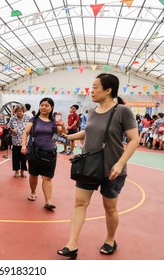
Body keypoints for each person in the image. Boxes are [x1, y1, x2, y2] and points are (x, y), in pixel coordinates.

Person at [57, 73, 139, 260]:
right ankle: (72, 244)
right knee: (79, 203)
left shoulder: (122, 111)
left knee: (109, 207)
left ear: (108, 90)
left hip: (112, 169)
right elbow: (89, 131)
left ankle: (110, 240)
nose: (91, 90)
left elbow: (134, 139)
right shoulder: (93, 111)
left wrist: (119, 163)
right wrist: (70, 136)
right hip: (89, 165)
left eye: (95, 87)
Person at [21, 98, 62, 209]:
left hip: (50, 153)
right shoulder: (34, 120)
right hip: (34, 152)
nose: (44, 107)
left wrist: (62, 126)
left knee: (47, 177)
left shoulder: (55, 121)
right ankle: (33, 192)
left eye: (47, 105)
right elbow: (25, 133)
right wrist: (24, 145)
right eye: (42, 105)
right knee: (33, 174)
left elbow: (62, 138)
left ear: (51, 107)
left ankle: (48, 201)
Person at [7, 104, 30, 178]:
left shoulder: (27, 118)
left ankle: (22, 171)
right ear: (15, 112)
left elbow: (30, 127)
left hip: (24, 141)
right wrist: (12, 130)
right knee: (16, 157)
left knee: (24, 158)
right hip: (15, 141)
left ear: (23, 111)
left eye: (21, 111)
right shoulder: (12, 118)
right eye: (17, 111)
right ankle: (16, 171)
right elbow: (8, 127)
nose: (19, 113)